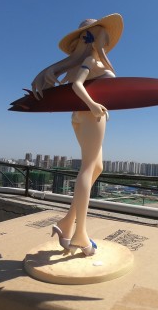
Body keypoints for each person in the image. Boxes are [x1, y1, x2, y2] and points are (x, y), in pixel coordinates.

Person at [31, 14, 123, 256]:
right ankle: (80, 235)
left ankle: (65, 223)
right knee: (88, 168)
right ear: (97, 38)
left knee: (97, 167)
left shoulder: (91, 61)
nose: (106, 41)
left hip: (84, 115)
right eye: (104, 36)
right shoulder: (92, 60)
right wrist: (93, 105)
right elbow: (76, 86)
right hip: (90, 115)